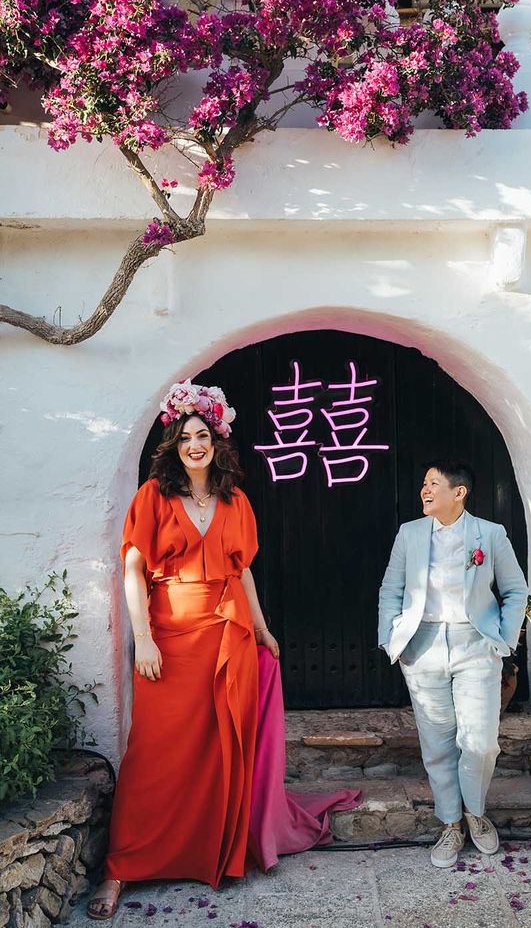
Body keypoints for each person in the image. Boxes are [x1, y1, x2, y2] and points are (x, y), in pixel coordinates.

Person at [88, 381, 359, 919]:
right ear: (174, 444)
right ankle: (121, 868)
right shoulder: (153, 497)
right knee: (153, 757)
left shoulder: (235, 499)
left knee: (222, 751)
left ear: (217, 441)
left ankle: (212, 854)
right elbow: (133, 569)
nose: (195, 444)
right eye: (186, 436)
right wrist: (142, 637)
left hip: (229, 635)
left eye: (203, 434)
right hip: (168, 641)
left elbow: (242, 571)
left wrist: (262, 629)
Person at [378, 458, 528, 870]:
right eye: (423, 484)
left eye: (433, 484)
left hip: (475, 644)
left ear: (458, 492)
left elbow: (516, 590)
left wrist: (504, 638)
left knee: (479, 740)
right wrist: (392, 639)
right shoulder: (409, 534)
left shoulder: (491, 535)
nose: (424, 491)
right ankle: (450, 823)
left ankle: (475, 813)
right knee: (437, 743)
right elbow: (390, 588)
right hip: (423, 645)